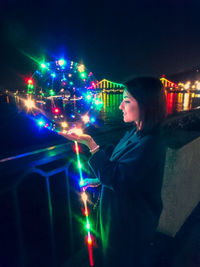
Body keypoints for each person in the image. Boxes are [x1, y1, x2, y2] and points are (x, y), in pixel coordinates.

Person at [60, 77, 167, 267]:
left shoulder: (149, 144)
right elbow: (122, 167)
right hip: (121, 217)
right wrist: (100, 181)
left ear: (146, 105)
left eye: (126, 100)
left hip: (130, 224)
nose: (120, 106)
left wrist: (90, 143)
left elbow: (118, 179)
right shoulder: (136, 132)